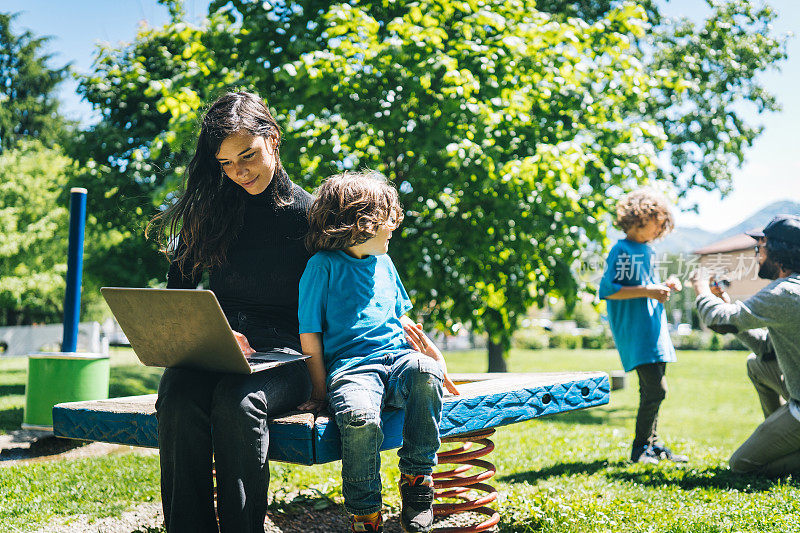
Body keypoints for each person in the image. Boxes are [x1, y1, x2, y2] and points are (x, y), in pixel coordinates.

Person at [147, 91, 313, 533]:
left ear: (273, 139)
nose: (239, 173)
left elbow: (338, 302)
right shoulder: (213, 212)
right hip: (221, 348)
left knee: (238, 403)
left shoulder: (310, 215)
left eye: (248, 156)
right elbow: (178, 292)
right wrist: (207, 335)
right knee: (177, 395)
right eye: (225, 164)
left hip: (289, 355)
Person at [297, 171, 460, 533]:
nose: (392, 228)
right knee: (359, 418)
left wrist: (436, 359)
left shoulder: (385, 263)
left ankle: (418, 483)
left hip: (398, 360)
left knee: (424, 371)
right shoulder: (321, 267)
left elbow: (403, 319)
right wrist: (320, 391)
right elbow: (309, 333)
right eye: (386, 219)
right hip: (353, 369)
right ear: (359, 223)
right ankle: (364, 513)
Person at [691, 214, 800, 476]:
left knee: (742, 465)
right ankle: (780, 433)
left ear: (777, 251)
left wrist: (701, 289)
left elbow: (717, 321)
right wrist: (726, 302)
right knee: (757, 365)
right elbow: (765, 348)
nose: (756, 255)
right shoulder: (790, 290)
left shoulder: (784, 293)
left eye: (759, 248)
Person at [598, 188, 688, 464]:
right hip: (638, 333)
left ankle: (653, 444)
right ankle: (640, 450)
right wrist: (650, 291)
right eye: (658, 224)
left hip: (654, 331)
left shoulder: (646, 250)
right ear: (641, 217)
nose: (660, 232)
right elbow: (608, 290)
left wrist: (665, 286)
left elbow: (646, 285)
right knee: (656, 389)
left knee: (653, 391)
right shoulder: (622, 249)